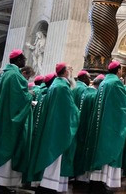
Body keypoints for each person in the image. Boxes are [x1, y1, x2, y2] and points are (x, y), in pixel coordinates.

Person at [0, 49, 33, 193]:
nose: (24, 61)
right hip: (9, 120)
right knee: (6, 149)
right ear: (18, 60)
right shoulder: (16, 76)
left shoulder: (4, 74)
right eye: (23, 59)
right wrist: (30, 97)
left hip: (1, 118)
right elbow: (20, 99)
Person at [26, 62, 79, 193]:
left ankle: (48, 184)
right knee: (55, 156)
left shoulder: (56, 84)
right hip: (58, 127)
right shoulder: (63, 87)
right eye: (69, 69)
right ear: (65, 72)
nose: (71, 71)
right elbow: (69, 109)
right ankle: (49, 186)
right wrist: (78, 114)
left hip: (53, 124)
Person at [87, 61, 126, 194]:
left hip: (102, 122)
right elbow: (124, 105)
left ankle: (96, 181)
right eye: (121, 70)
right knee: (109, 149)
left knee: (100, 150)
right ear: (118, 71)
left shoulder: (104, 82)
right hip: (111, 124)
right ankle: (103, 181)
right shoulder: (116, 83)